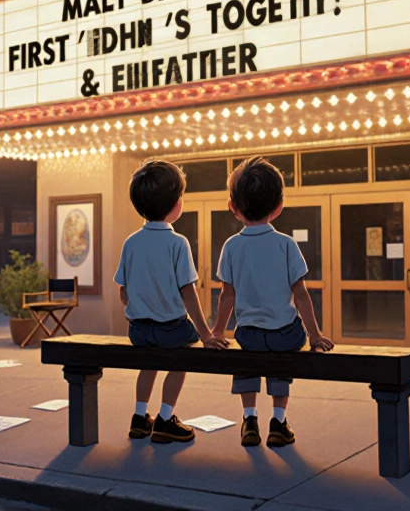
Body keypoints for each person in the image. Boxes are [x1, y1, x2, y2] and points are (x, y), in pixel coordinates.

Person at [211, 157, 334, 448]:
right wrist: (314, 335)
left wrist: (216, 331)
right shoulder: (286, 244)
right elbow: (301, 294)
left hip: (249, 333)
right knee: (282, 359)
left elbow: (227, 295)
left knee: (246, 360)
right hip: (284, 333)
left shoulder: (231, 246)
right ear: (278, 206)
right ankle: (278, 421)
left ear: (233, 207)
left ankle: (249, 418)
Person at [115, 159, 226, 444]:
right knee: (181, 359)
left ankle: (139, 417)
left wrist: (139, 308)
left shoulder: (130, 242)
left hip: (138, 330)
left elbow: (123, 292)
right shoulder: (178, 243)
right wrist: (206, 334)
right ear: (176, 204)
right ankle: (165, 418)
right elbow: (188, 292)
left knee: (148, 363)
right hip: (171, 329)